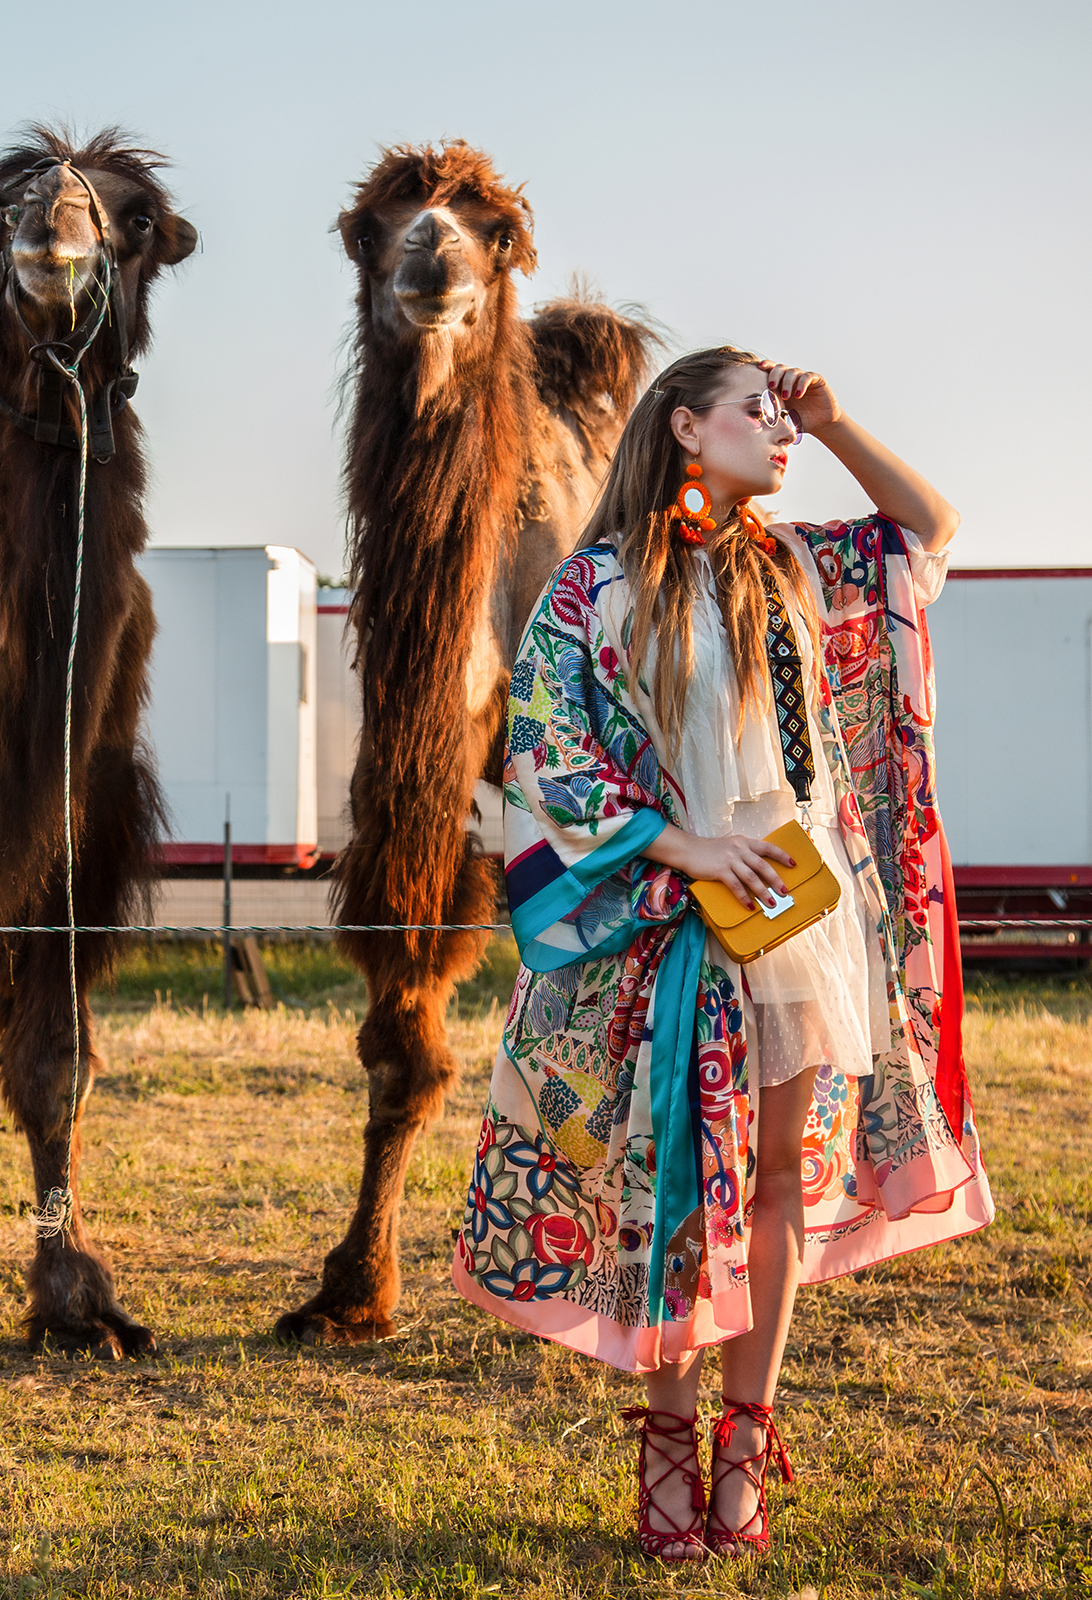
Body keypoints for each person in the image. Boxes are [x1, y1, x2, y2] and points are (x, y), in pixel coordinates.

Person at [450, 346, 994, 1560]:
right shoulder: (596, 586)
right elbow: (544, 753)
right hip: (663, 923)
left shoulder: (791, 567)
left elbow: (931, 528)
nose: (778, 427)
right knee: (680, 1192)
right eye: (755, 411)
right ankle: (665, 1454)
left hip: (797, 926)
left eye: (781, 411)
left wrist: (837, 418)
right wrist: (683, 846)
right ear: (685, 430)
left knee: (780, 1185)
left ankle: (745, 1448)